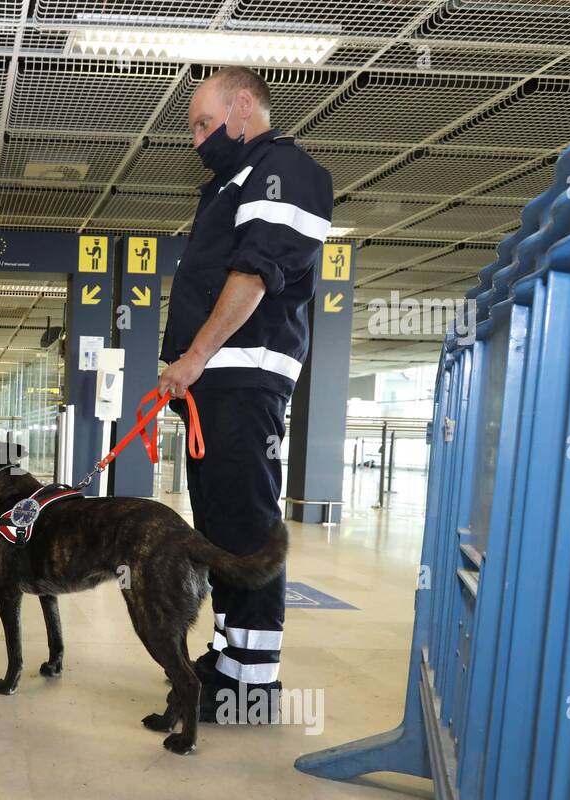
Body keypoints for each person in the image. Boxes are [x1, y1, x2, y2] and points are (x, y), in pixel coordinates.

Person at [157, 67, 333, 723]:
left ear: (242, 105)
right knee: (223, 531)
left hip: (242, 379)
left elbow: (256, 273)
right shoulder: (234, 182)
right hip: (217, 387)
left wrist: (195, 357)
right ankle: (231, 658)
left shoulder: (285, 170)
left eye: (204, 123)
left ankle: (252, 687)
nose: (198, 139)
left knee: (246, 529)